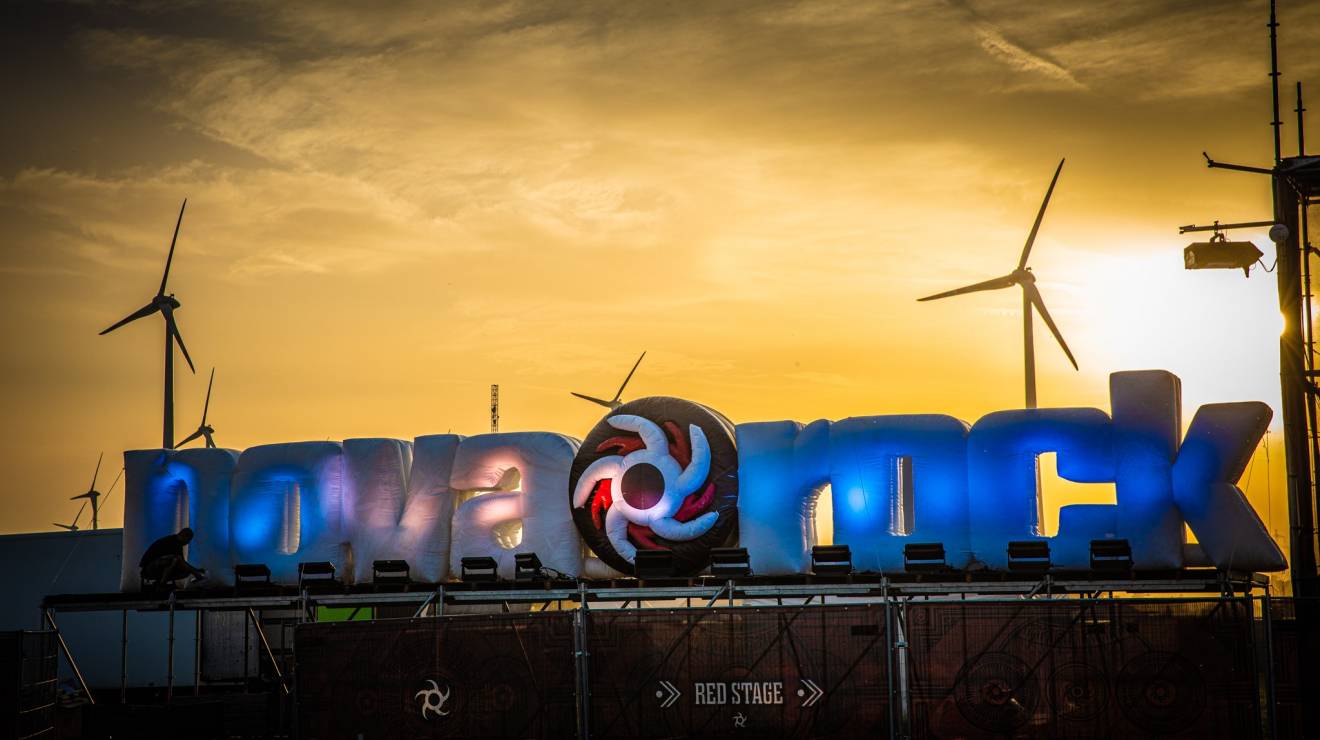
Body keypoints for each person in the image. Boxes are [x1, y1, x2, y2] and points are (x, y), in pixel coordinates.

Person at [139, 527, 206, 590]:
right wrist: (195, 572)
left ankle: (161, 584)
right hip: (149, 568)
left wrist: (196, 570)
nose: (188, 543)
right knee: (174, 560)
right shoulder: (171, 542)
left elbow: (183, 563)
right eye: (188, 540)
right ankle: (161, 585)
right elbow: (178, 560)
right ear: (183, 536)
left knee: (182, 567)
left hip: (158, 566)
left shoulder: (177, 544)